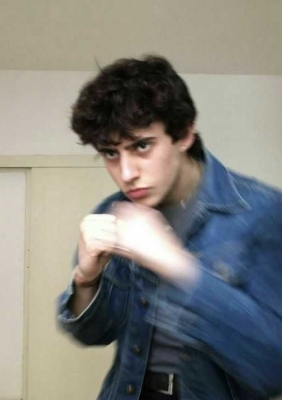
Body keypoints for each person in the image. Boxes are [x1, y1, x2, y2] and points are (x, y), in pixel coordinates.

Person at [56, 55, 282, 400]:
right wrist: (86, 279)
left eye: (141, 146)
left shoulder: (261, 211)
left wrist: (175, 266)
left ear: (185, 133)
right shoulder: (113, 212)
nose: (126, 173)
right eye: (111, 153)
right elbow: (94, 334)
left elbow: (273, 366)